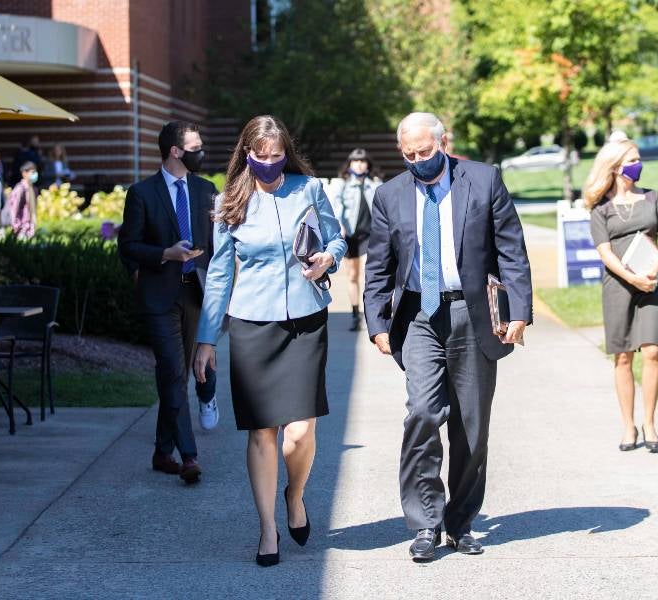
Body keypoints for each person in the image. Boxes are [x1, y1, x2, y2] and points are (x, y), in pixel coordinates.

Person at [363, 112, 533, 562]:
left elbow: (512, 250)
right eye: (408, 154)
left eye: (424, 151)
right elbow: (378, 265)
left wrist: (519, 312)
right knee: (422, 412)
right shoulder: (389, 195)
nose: (417, 160)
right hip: (419, 314)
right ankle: (425, 522)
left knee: (471, 429)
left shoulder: (483, 180)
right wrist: (377, 323)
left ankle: (460, 523)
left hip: (470, 311)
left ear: (443, 143)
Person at [194, 115, 347, 567]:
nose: (269, 164)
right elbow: (219, 273)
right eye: (260, 156)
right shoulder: (228, 203)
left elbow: (337, 239)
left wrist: (327, 259)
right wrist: (206, 339)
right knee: (262, 433)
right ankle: (267, 529)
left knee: (299, 433)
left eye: (276, 156)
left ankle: (295, 496)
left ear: (286, 153)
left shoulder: (309, 189)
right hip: (251, 324)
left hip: (305, 318)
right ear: (247, 155)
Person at [118, 121, 220, 485]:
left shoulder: (207, 190)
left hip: (196, 291)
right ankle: (188, 456)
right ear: (176, 151)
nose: (201, 150)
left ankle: (162, 451)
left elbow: (219, 244)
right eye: (196, 145)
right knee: (173, 373)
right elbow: (127, 247)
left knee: (188, 371)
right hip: (160, 297)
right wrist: (164, 253)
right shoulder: (142, 193)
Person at [585, 131, 658, 454]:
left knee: (651, 351)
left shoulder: (652, 198)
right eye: (632, 161)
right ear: (615, 166)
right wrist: (631, 278)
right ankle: (629, 426)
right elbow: (605, 252)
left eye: (638, 160)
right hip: (619, 286)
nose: (639, 166)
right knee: (623, 356)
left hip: (651, 281)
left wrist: (654, 269)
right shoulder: (601, 210)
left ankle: (650, 422)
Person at [331, 148, 381, 330]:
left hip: (370, 235)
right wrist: (339, 226)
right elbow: (337, 207)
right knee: (352, 276)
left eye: (362, 161)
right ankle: (355, 314)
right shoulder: (342, 184)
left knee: (371, 275)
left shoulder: (375, 184)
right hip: (351, 235)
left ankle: (373, 315)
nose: (359, 164)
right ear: (350, 163)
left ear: (368, 164)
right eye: (355, 161)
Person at [7, 161, 39, 240]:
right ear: (24, 173)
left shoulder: (34, 188)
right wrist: (15, 226)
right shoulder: (20, 188)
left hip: (30, 228)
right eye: (33, 172)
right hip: (20, 228)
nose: (35, 174)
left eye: (36, 172)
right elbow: (14, 209)